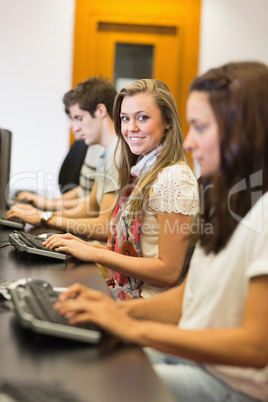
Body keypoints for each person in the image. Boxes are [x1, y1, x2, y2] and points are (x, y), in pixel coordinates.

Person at [52, 62, 267, 401]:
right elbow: (189, 295)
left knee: (93, 380)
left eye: (201, 127)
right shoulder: (225, 198)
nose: (191, 142)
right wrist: (114, 312)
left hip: (232, 383)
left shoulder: (255, 211)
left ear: (245, 128)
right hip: (197, 356)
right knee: (75, 360)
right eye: (126, 118)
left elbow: (256, 346)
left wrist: (134, 326)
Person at [44, 78, 199, 299]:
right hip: (126, 290)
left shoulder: (174, 179)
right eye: (125, 118)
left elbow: (169, 272)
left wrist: (94, 253)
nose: (130, 128)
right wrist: (86, 247)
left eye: (142, 118)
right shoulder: (144, 169)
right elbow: (136, 253)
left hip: (146, 302)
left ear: (167, 121)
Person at [6, 77, 119, 242]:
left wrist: (44, 218)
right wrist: (44, 214)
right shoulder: (105, 153)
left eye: (79, 118)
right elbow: (92, 206)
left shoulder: (117, 154)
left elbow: (104, 227)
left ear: (100, 111)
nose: (75, 127)